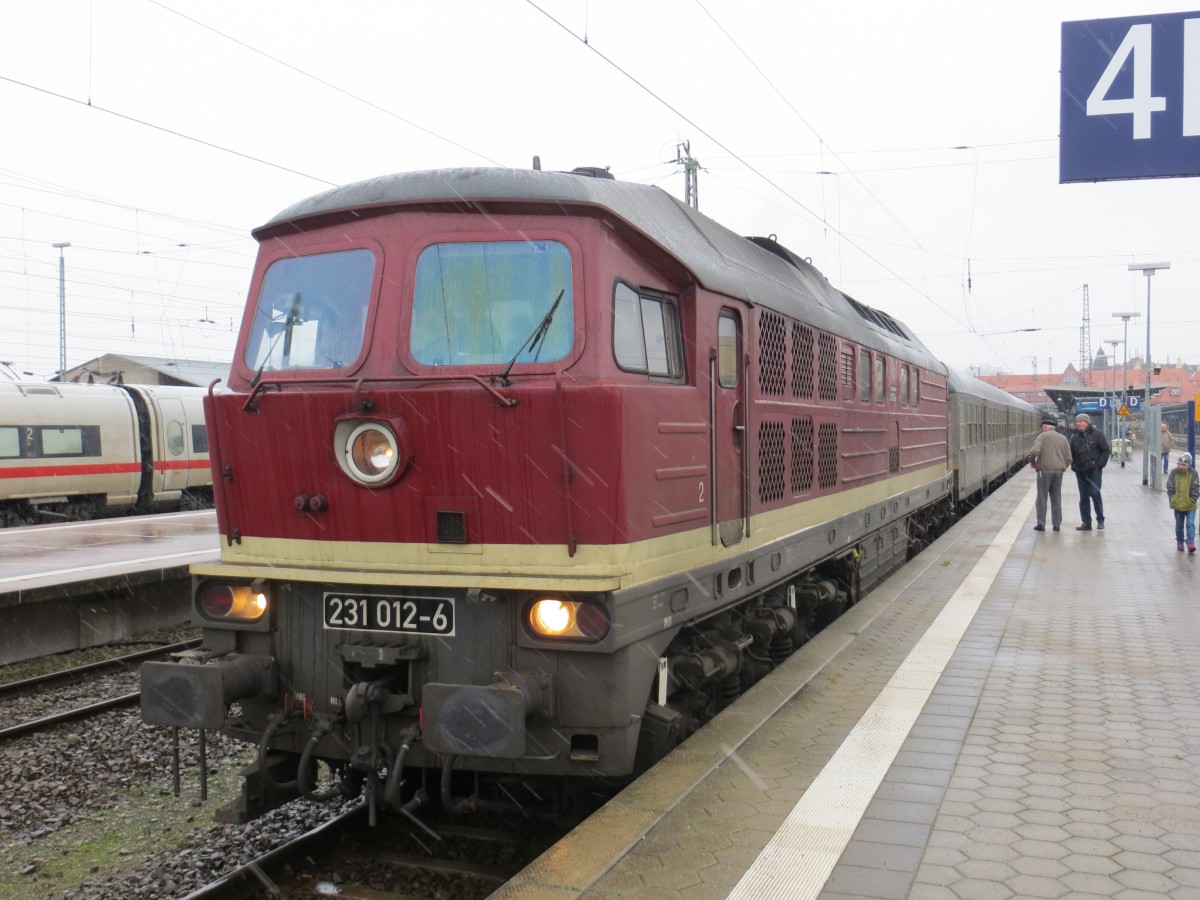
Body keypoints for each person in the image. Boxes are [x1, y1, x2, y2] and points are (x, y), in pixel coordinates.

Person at [1028, 416, 1072, 532]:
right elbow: (1069, 458)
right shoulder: (1063, 438)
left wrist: (1032, 462)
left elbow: (1034, 451)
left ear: (1045, 427)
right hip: (1058, 472)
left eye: (1042, 427)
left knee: (1042, 497)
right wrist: (1062, 467)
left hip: (1044, 471)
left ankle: (1041, 524)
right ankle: (1056, 524)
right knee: (1056, 498)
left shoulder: (1042, 436)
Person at [1068, 412, 1111, 531]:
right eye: (1077, 421)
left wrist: (1099, 465)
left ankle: (1100, 520)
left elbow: (1105, 451)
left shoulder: (1098, 435)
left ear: (1087, 422)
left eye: (1080, 421)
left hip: (1094, 471)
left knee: (1095, 493)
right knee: (1083, 497)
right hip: (1080, 471)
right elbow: (1070, 454)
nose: (1078, 423)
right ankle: (1086, 522)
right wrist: (1073, 466)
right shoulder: (1074, 438)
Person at [1166, 451, 1198, 552]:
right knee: (1179, 524)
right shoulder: (1174, 472)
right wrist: (1172, 498)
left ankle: (1190, 542)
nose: (1181, 466)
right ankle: (1180, 542)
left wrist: (1193, 499)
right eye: (1179, 464)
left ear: (1188, 465)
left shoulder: (1193, 473)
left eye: (1184, 464)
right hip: (1178, 504)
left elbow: (1196, 487)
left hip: (1190, 504)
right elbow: (1170, 486)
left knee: (1190, 524)